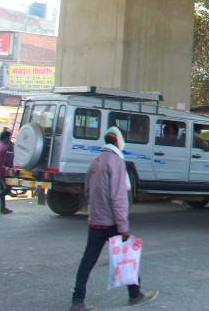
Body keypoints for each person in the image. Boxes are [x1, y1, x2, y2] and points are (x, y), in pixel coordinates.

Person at [70, 127, 157, 311]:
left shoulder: (95, 160)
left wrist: (94, 211)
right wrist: (123, 225)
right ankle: (135, 294)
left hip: (96, 220)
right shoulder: (116, 162)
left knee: (88, 260)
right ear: (118, 142)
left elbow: (87, 190)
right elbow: (118, 196)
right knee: (127, 256)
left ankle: (77, 300)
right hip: (112, 221)